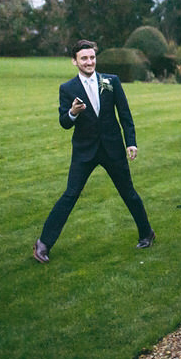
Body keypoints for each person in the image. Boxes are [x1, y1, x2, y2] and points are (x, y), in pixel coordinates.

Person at [33, 40, 154, 263]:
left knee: (128, 192)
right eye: (84, 58)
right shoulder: (67, 89)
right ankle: (43, 244)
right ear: (74, 61)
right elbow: (64, 123)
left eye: (92, 57)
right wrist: (72, 112)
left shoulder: (111, 81)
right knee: (70, 195)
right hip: (84, 151)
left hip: (112, 147)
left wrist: (131, 142)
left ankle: (147, 233)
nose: (89, 62)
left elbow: (125, 115)